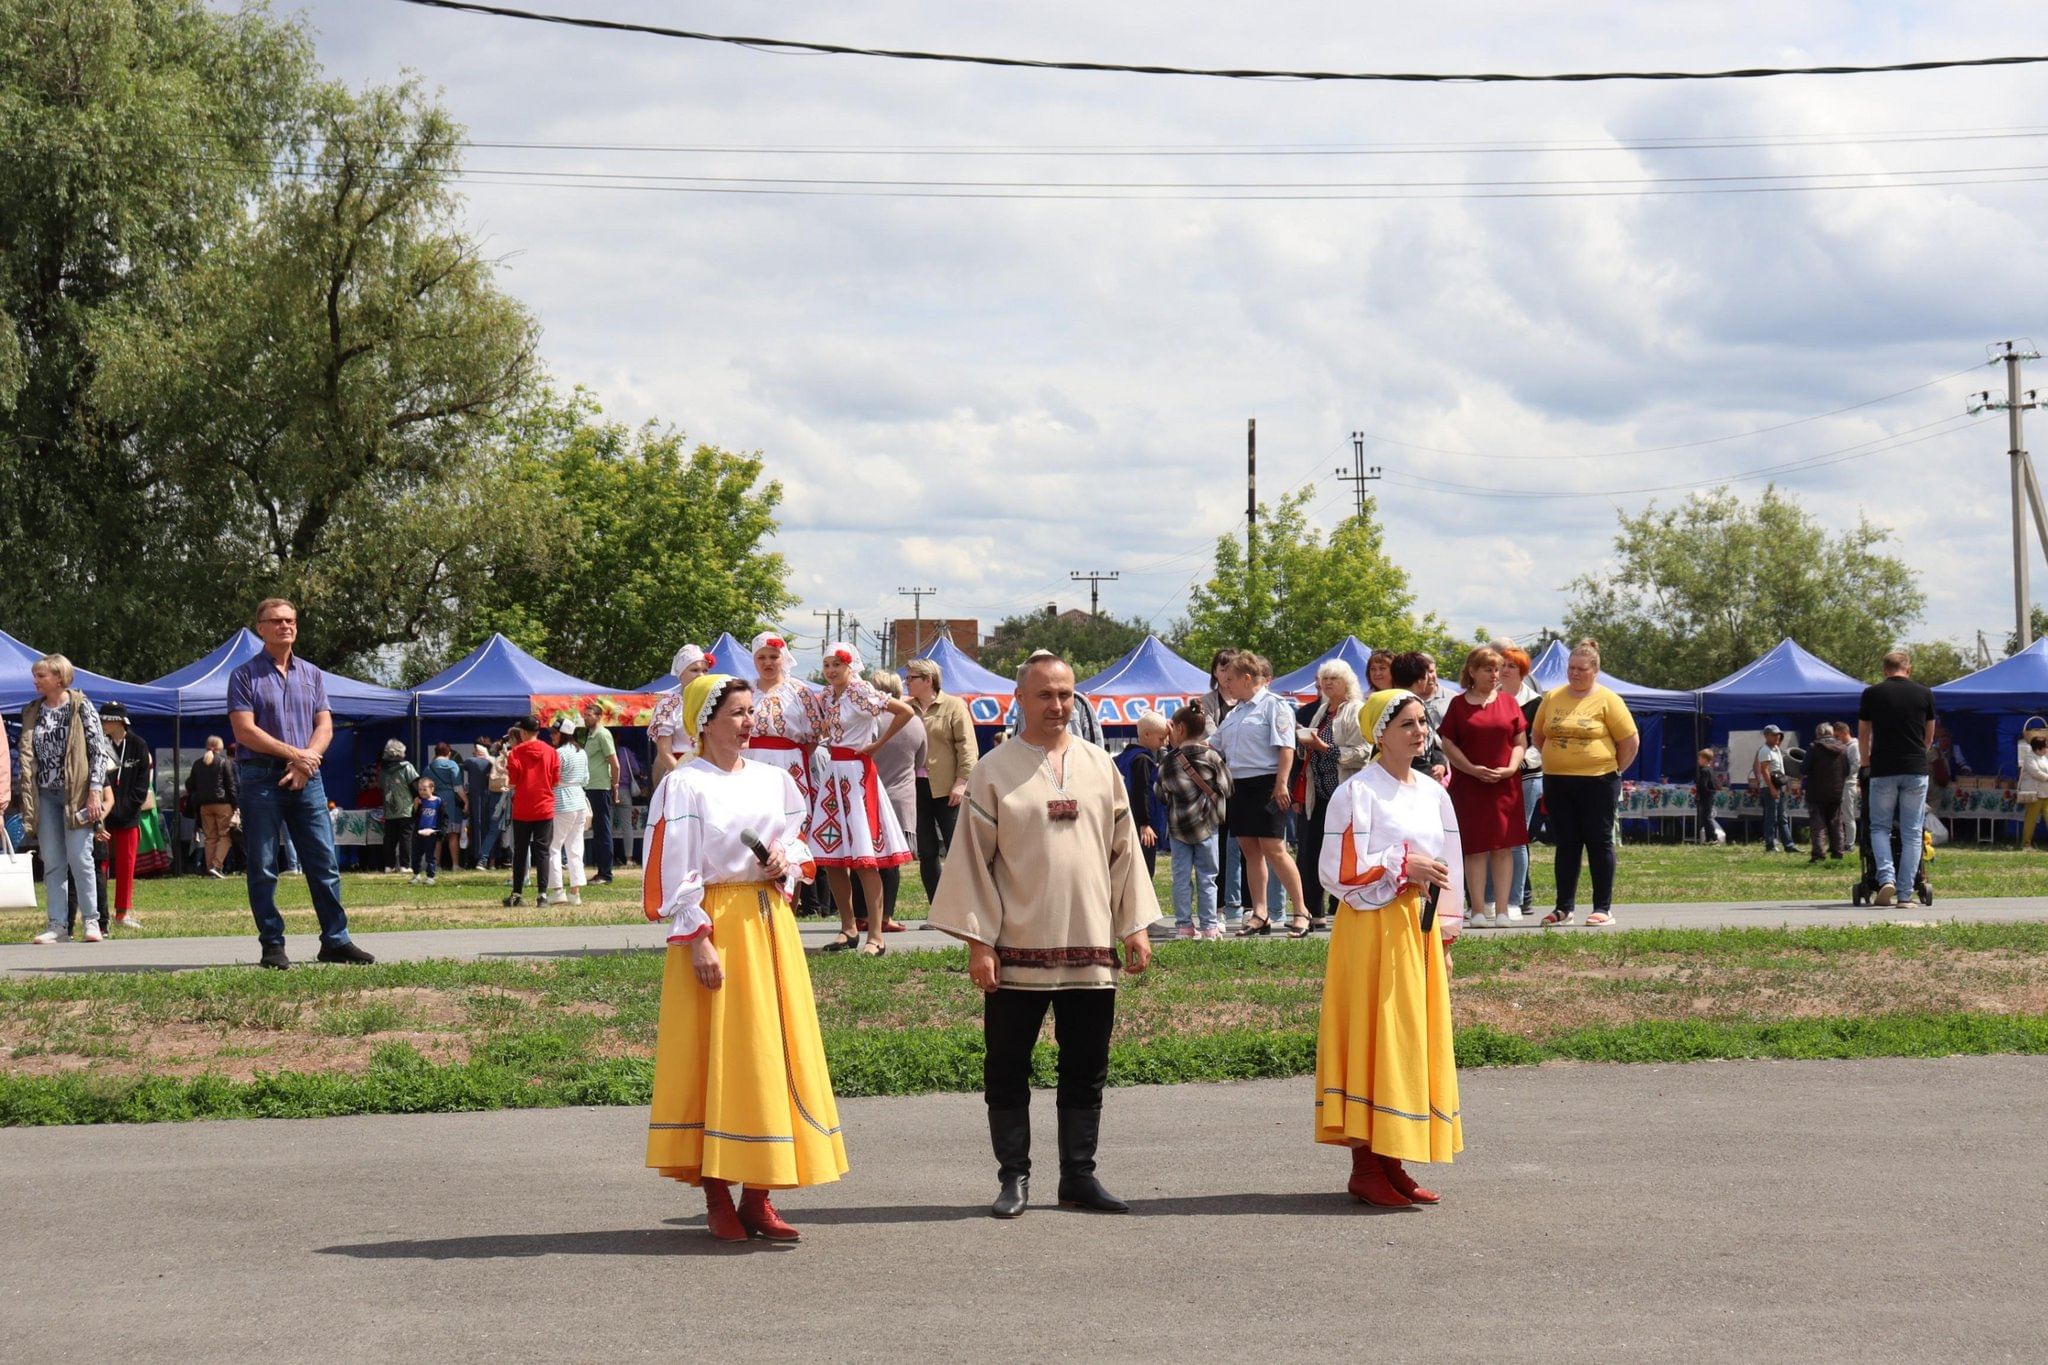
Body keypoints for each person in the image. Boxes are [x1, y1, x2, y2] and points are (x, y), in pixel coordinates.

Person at [929, 653, 1160, 1219]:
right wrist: (979, 942)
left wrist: (1134, 924)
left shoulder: (1100, 765)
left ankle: (1078, 1178)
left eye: (1065, 695)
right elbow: (971, 862)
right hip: (1017, 951)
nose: (1057, 706)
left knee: (1086, 1069)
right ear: (1020, 699)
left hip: (1089, 949)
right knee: (1006, 1067)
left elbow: (1124, 851)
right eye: (1045, 695)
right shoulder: (993, 768)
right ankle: (1015, 1178)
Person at [642, 672, 846, 1241]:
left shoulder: (774, 780)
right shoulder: (685, 785)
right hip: (719, 922)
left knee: (772, 1050)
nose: (748, 721)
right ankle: (716, 1195)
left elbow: (799, 837)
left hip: (770, 922)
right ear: (705, 722)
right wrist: (697, 937)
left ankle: (760, 1194)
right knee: (720, 1052)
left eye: (751, 710)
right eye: (736, 712)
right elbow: (671, 867)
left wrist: (788, 859)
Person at [1315, 688, 1464, 1206]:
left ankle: (1392, 1160)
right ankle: (1366, 1167)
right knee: (1374, 1034)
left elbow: (1452, 866)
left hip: (1416, 929)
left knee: (1405, 1039)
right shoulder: (1355, 793)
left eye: (1422, 723)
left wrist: (1444, 933)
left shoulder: (1433, 792)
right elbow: (1335, 869)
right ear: (1381, 734)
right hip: (1369, 927)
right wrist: (1402, 864)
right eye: (1407, 724)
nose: (1420, 732)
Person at [226, 599, 373, 968]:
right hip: (260, 775)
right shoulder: (244, 675)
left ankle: (335, 941)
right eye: (276, 621)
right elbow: (244, 731)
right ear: (261, 627)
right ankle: (272, 944)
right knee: (262, 864)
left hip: (309, 776)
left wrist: (306, 763)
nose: (285, 626)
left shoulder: (312, 674)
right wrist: (296, 754)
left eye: (290, 620)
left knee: (324, 860)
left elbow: (324, 726)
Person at [812, 643, 916, 955]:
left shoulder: (859, 691)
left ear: (851, 667)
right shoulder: (828, 695)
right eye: (827, 664)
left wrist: (877, 744)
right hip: (833, 774)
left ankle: (876, 935)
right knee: (832, 859)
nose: (831, 671)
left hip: (857, 776)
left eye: (837, 665)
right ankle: (848, 928)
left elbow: (905, 711)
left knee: (864, 859)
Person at [1531, 639, 1638, 928]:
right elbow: (1538, 736)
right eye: (1571, 668)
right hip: (1558, 782)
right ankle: (1563, 908)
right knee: (1566, 844)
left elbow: (1629, 741)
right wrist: (1558, 760)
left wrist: (1613, 770)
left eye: (1581, 669)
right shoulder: (1552, 697)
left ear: (1595, 671)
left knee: (1598, 842)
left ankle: (1603, 908)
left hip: (1598, 782)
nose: (1574, 673)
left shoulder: (1608, 699)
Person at [1212, 652, 1310, 937]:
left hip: (1267, 783)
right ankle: (1260, 913)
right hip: (1238, 786)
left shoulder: (1274, 706)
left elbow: (1286, 748)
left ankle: (1300, 911)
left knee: (1275, 849)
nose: (1226, 685)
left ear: (1246, 678)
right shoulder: (1235, 712)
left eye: (1230, 680)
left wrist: (1281, 784)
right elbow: (1215, 743)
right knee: (1250, 850)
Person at [21, 655, 114, 945]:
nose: (36, 680)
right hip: (45, 795)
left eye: (41, 676)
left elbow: (99, 751)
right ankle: (58, 925)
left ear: (59, 678)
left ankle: (91, 921)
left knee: (80, 857)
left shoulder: (80, 705)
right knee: (52, 860)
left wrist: (95, 790)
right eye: (35, 676)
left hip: (77, 794)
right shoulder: (32, 711)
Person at [1438, 645, 1528, 929]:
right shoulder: (1458, 704)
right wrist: (1472, 769)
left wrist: (1512, 767)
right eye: (1488, 669)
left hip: (1505, 785)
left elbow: (1520, 741)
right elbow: (1448, 743)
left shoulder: (1509, 703)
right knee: (1474, 849)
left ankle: (1502, 910)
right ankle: (1477, 909)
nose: (1494, 674)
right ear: (1472, 672)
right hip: (1469, 785)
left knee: (1503, 848)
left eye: (1497, 668)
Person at [745, 632, 827, 920]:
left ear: (784, 659)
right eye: (761, 657)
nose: (768, 662)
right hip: (750, 763)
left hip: (789, 766)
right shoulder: (745, 690)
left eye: (773, 656)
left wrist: (790, 756)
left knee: (790, 834)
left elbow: (815, 735)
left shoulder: (799, 691)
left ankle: (789, 912)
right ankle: (754, 907)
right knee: (753, 828)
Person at [1858, 649, 1937, 907]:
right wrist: (1918, 755)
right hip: (1915, 768)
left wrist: (1866, 763)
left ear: (1884, 670)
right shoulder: (1925, 693)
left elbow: (1864, 732)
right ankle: (1905, 894)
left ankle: (1886, 878)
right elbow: (1929, 735)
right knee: (1912, 832)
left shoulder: (1872, 694)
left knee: (1879, 827)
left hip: (1883, 769)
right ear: (1909, 669)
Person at [1296, 661, 1368, 933]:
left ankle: (1343, 908)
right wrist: (1305, 746)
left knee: (1345, 853)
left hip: (1344, 793)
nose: (1327, 684)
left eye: (1333, 679)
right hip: (1319, 794)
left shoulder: (1356, 710)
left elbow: (1363, 752)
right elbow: (1311, 751)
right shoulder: (1322, 712)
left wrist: (1325, 748)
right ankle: (1315, 911)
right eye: (1324, 679)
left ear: (1347, 682)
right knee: (1311, 852)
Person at [853, 668, 924, 934]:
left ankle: (861, 914)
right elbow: (921, 760)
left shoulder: (867, 721)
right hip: (902, 795)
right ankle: (887, 916)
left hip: (869, 792)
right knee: (891, 862)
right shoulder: (915, 721)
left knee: (863, 857)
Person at [1158, 701, 1232, 939]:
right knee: (1208, 877)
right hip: (1208, 826)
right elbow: (1228, 788)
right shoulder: (1212, 757)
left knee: (1181, 877)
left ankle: (1183, 926)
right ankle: (1210, 926)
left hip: (1178, 827)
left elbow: (1161, 793)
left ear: (1179, 729)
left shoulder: (1169, 761)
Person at [904, 657, 975, 900]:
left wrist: (962, 781)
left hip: (947, 788)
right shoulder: (906, 708)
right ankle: (937, 907)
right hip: (915, 787)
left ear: (928, 680)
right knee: (927, 850)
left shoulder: (953, 706)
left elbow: (967, 747)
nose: (906, 682)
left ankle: (965, 905)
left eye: (911, 678)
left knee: (957, 848)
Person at [1493, 644, 1545, 912]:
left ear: (1523, 671)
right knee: (1494, 838)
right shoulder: (1492, 698)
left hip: (1526, 776)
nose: (1504, 670)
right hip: (1496, 777)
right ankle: (1492, 901)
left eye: (1511, 666)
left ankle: (1517, 899)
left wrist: (1516, 762)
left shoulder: (1536, 703)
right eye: (1501, 665)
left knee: (1516, 837)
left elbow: (1540, 745)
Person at [96, 701, 153, 931]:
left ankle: (123, 912)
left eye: (107, 719)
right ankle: (100, 913)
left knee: (126, 864)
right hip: (103, 814)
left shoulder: (139, 745)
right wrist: (104, 811)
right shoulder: (99, 743)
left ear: (120, 721)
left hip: (129, 815)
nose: (103, 723)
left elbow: (142, 783)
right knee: (100, 863)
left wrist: (128, 808)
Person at [1199, 649, 1245, 930]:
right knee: (1218, 842)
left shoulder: (1246, 700)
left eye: (1232, 666)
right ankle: (1216, 905)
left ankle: (1245, 904)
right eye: (1222, 666)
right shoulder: (1205, 702)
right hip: (1215, 781)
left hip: (1244, 777)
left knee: (1245, 843)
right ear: (1214, 672)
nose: (1227, 672)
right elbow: (1210, 738)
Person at [502, 715, 559, 907]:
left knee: (520, 851)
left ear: (524, 733)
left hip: (523, 808)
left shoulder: (515, 753)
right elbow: (555, 780)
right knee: (543, 851)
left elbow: (513, 781)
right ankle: (542, 895)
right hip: (544, 807)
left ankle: (517, 894)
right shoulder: (551, 752)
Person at [649, 643, 715, 784]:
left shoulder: (715, 702)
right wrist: (683, 779)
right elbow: (664, 753)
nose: (701, 675)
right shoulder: (669, 705)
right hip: (679, 774)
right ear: (681, 674)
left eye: (705, 670)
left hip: (711, 774)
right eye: (694, 670)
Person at [1116, 711, 1169, 879]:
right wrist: (1145, 823)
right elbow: (1141, 792)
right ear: (1146, 734)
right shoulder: (1142, 760)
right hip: (1142, 826)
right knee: (1144, 871)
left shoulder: (1123, 758)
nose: (1163, 744)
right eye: (1161, 739)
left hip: (1124, 822)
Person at [546, 717, 591, 906]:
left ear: (562, 734)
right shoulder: (582, 752)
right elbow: (586, 779)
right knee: (575, 848)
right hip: (579, 800)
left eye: (554, 733)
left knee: (554, 847)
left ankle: (557, 890)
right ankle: (575, 892)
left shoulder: (558, 754)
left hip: (562, 801)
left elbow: (552, 778)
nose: (551, 736)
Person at [1386, 652, 1448, 780]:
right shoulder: (1393, 708)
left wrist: (1440, 763)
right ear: (1420, 680)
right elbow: (1399, 748)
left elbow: (1432, 741)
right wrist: (1427, 774)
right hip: (1402, 779)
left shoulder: (1419, 704)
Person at [185, 735, 239, 876]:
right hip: (223, 804)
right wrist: (236, 805)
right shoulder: (224, 762)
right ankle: (217, 865)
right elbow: (230, 786)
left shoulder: (197, 763)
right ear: (220, 748)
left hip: (204, 806)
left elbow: (189, 784)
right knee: (225, 836)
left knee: (209, 838)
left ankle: (209, 869)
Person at [580, 700, 619, 884]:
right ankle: (601, 870)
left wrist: (615, 786)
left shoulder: (603, 735)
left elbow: (615, 763)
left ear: (598, 716)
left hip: (601, 788)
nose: (585, 718)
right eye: (585, 715)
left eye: (589, 715)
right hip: (590, 787)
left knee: (602, 831)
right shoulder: (590, 735)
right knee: (597, 831)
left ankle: (606, 873)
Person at [1803, 723, 1850, 863]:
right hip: (1836, 792)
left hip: (1816, 792)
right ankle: (1838, 852)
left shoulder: (1814, 747)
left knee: (1818, 825)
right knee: (1836, 823)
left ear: (1818, 734)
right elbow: (1847, 771)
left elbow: (1804, 769)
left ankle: (1818, 855)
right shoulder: (1843, 748)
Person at [378, 740, 419, 874]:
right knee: (405, 838)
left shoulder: (383, 770)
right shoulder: (407, 767)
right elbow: (414, 786)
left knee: (389, 839)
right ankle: (405, 866)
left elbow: (382, 788)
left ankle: (389, 866)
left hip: (390, 809)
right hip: (406, 808)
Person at [1752, 725, 1793, 854]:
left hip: (1778, 786)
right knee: (1771, 817)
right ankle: (1770, 845)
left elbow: (1780, 770)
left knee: (1782, 817)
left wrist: (1785, 785)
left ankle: (1789, 845)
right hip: (1770, 787)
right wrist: (1772, 789)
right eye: (1774, 735)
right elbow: (1765, 771)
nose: (1778, 737)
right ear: (1766, 736)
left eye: (1778, 735)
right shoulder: (1765, 750)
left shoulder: (1777, 749)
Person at [428, 743, 465, 874]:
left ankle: (436, 865)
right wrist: (466, 802)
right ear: (449, 753)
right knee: (453, 834)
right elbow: (458, 788)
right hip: (450, 801)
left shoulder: (429, 767)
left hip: (434, 801)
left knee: (438, 835)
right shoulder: (452, 765)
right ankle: (455, 865)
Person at [462, 739, 495, 870]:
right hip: (495, 798)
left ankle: (479, 859)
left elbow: (465, 764)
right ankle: (492, 862)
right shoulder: (495, 761)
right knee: (493, 830)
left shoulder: (472, 761)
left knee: (478, 828)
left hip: (478, 800)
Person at [2018, 728, 2048, 851]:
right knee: (2030, 820)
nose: (2047, 748)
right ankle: (2026, 844)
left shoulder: (2045, 758)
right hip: (2034, 794)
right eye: (2045, 746)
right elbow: (2036, 772)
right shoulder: (2029, 757)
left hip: (2046, 793)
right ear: (2038, 748)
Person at [410, 777, 444, 885]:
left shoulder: (438, 801)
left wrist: (440, 831)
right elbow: (413, 816)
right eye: (420, 790)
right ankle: (416, 875)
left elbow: (443, 817)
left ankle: (430, 876)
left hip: (431, 832)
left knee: (430, 855)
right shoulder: (419, 801)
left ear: (432, 789)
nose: (422, 792)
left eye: (424, 789)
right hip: (419, 831)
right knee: (416, 854)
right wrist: (415, 806)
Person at [1693, 748, 1727, 845]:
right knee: (1705, 818)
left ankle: (1713, 837)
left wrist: (1699, 794)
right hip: (1709, 796)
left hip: (1706, 797)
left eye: (1699, 759)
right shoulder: (1710, 770)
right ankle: (1708, 839)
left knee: (1707, 818)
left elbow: (1703, 785)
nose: (1698, 760)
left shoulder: (1704, 771)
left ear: (1705, 759)